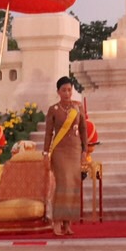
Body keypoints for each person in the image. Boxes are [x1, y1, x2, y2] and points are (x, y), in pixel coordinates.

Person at [43, 77, 89, 237]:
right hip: (59, 151)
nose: (67, 93)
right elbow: (48, 133)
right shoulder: (53, 109)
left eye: (69, 90)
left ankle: (68, 223)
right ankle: (57, 221)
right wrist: (45, 153)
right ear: (58, 92)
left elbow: (83, 129)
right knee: (62, 184)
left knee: (73, 186)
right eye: (64, 90)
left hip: (75, 150)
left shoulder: (78, 107)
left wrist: (85, 150)